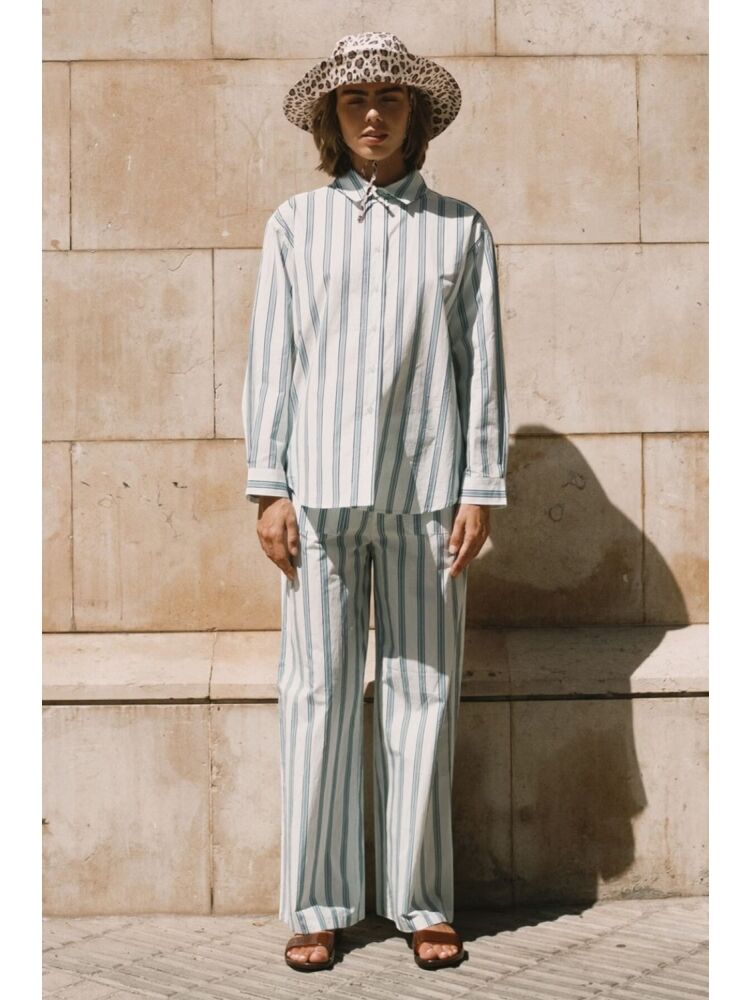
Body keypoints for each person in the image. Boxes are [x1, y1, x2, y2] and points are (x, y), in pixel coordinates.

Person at [241, 31, 509, 972]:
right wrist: (268, 487)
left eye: (390, 99)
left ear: (414, 116)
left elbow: (482, 369)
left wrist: (480, 487)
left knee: (423, 697)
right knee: (315, 695)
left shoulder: (460, 229)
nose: (372, 114)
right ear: (332, 116)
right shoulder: (294, 224)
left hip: (427, 500)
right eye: (355, 99)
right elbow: (272, 360)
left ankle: (422, 901)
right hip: (316, 499)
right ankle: (317, 904)